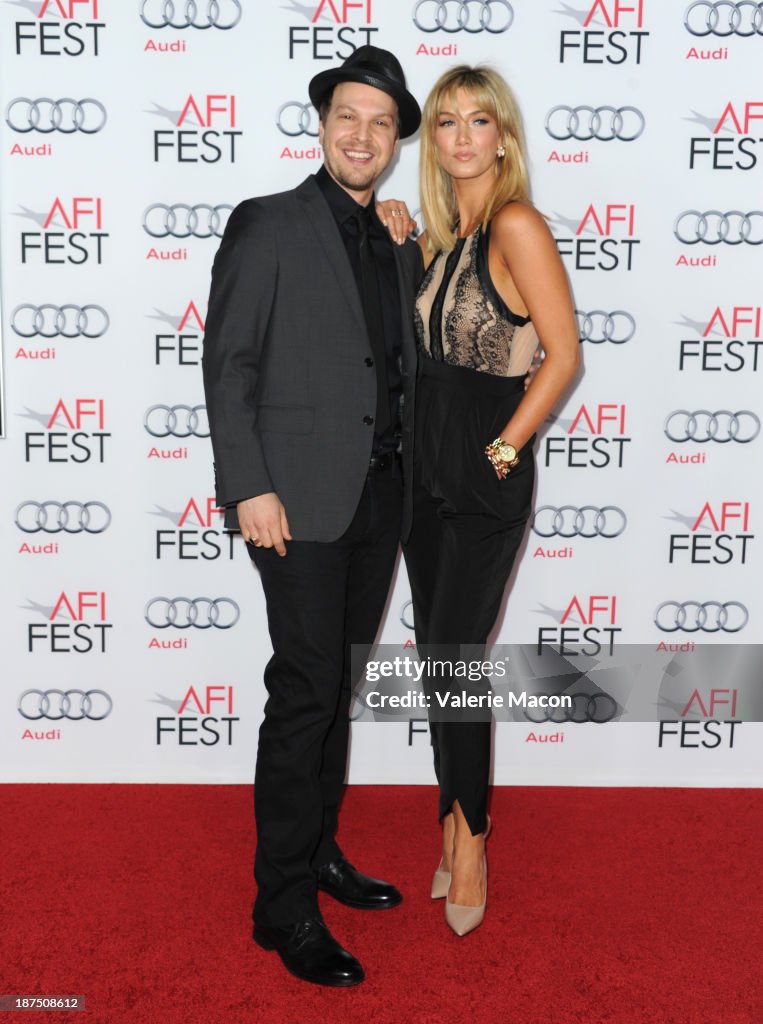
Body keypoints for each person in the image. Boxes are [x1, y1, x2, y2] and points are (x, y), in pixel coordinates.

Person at [202, 47, 422, 987]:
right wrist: (247, 485)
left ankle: (320, 852)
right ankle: (280, 901)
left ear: (393, 138)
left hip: (378, 500)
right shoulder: (269, 223)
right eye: (348, 116)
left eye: (380, 122)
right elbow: (230, 364)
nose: (362, 134)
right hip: (292, 502)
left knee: (335, 688)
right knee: (302, 697)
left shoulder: (396, 237)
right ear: (323, 124)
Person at [403, 65, 580, 936]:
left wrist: (507, 447)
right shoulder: (446, 234)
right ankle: (448, 820)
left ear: (502, 137)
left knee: (454, 658)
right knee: (440, 658)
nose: (463, 136)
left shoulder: (513, 222)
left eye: (479, 120)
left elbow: (562, 353)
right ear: (431, 140)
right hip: (420, 471)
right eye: (445, 122)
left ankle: (470, 841)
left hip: (481, 466)